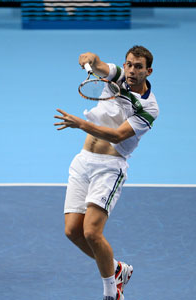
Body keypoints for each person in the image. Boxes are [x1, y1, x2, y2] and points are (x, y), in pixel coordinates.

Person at [54, 46, 158, 300]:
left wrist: (81, 124)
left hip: (110, 168)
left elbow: (117, 135)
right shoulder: (118, 76)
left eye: (138, 67)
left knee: (91, 232)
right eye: (129, 64)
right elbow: (99, 63)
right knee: (72, 232)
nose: (131, 71)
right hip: (83, 161)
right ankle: (117, 269)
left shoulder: (149, 108)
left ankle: (111, 293)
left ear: (149, 71)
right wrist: (88, 58)